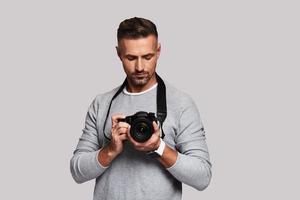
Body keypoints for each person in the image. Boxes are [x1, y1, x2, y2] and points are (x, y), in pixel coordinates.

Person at [70, 17, 212, 200]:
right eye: (131, 58)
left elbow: (202, 177)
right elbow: (77, 171)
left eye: (147, 57)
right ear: (119, 53)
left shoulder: (181, 104)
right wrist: (110, 150)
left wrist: (158, 147)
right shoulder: (102, 104)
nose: (139, 67)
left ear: (158, 51)